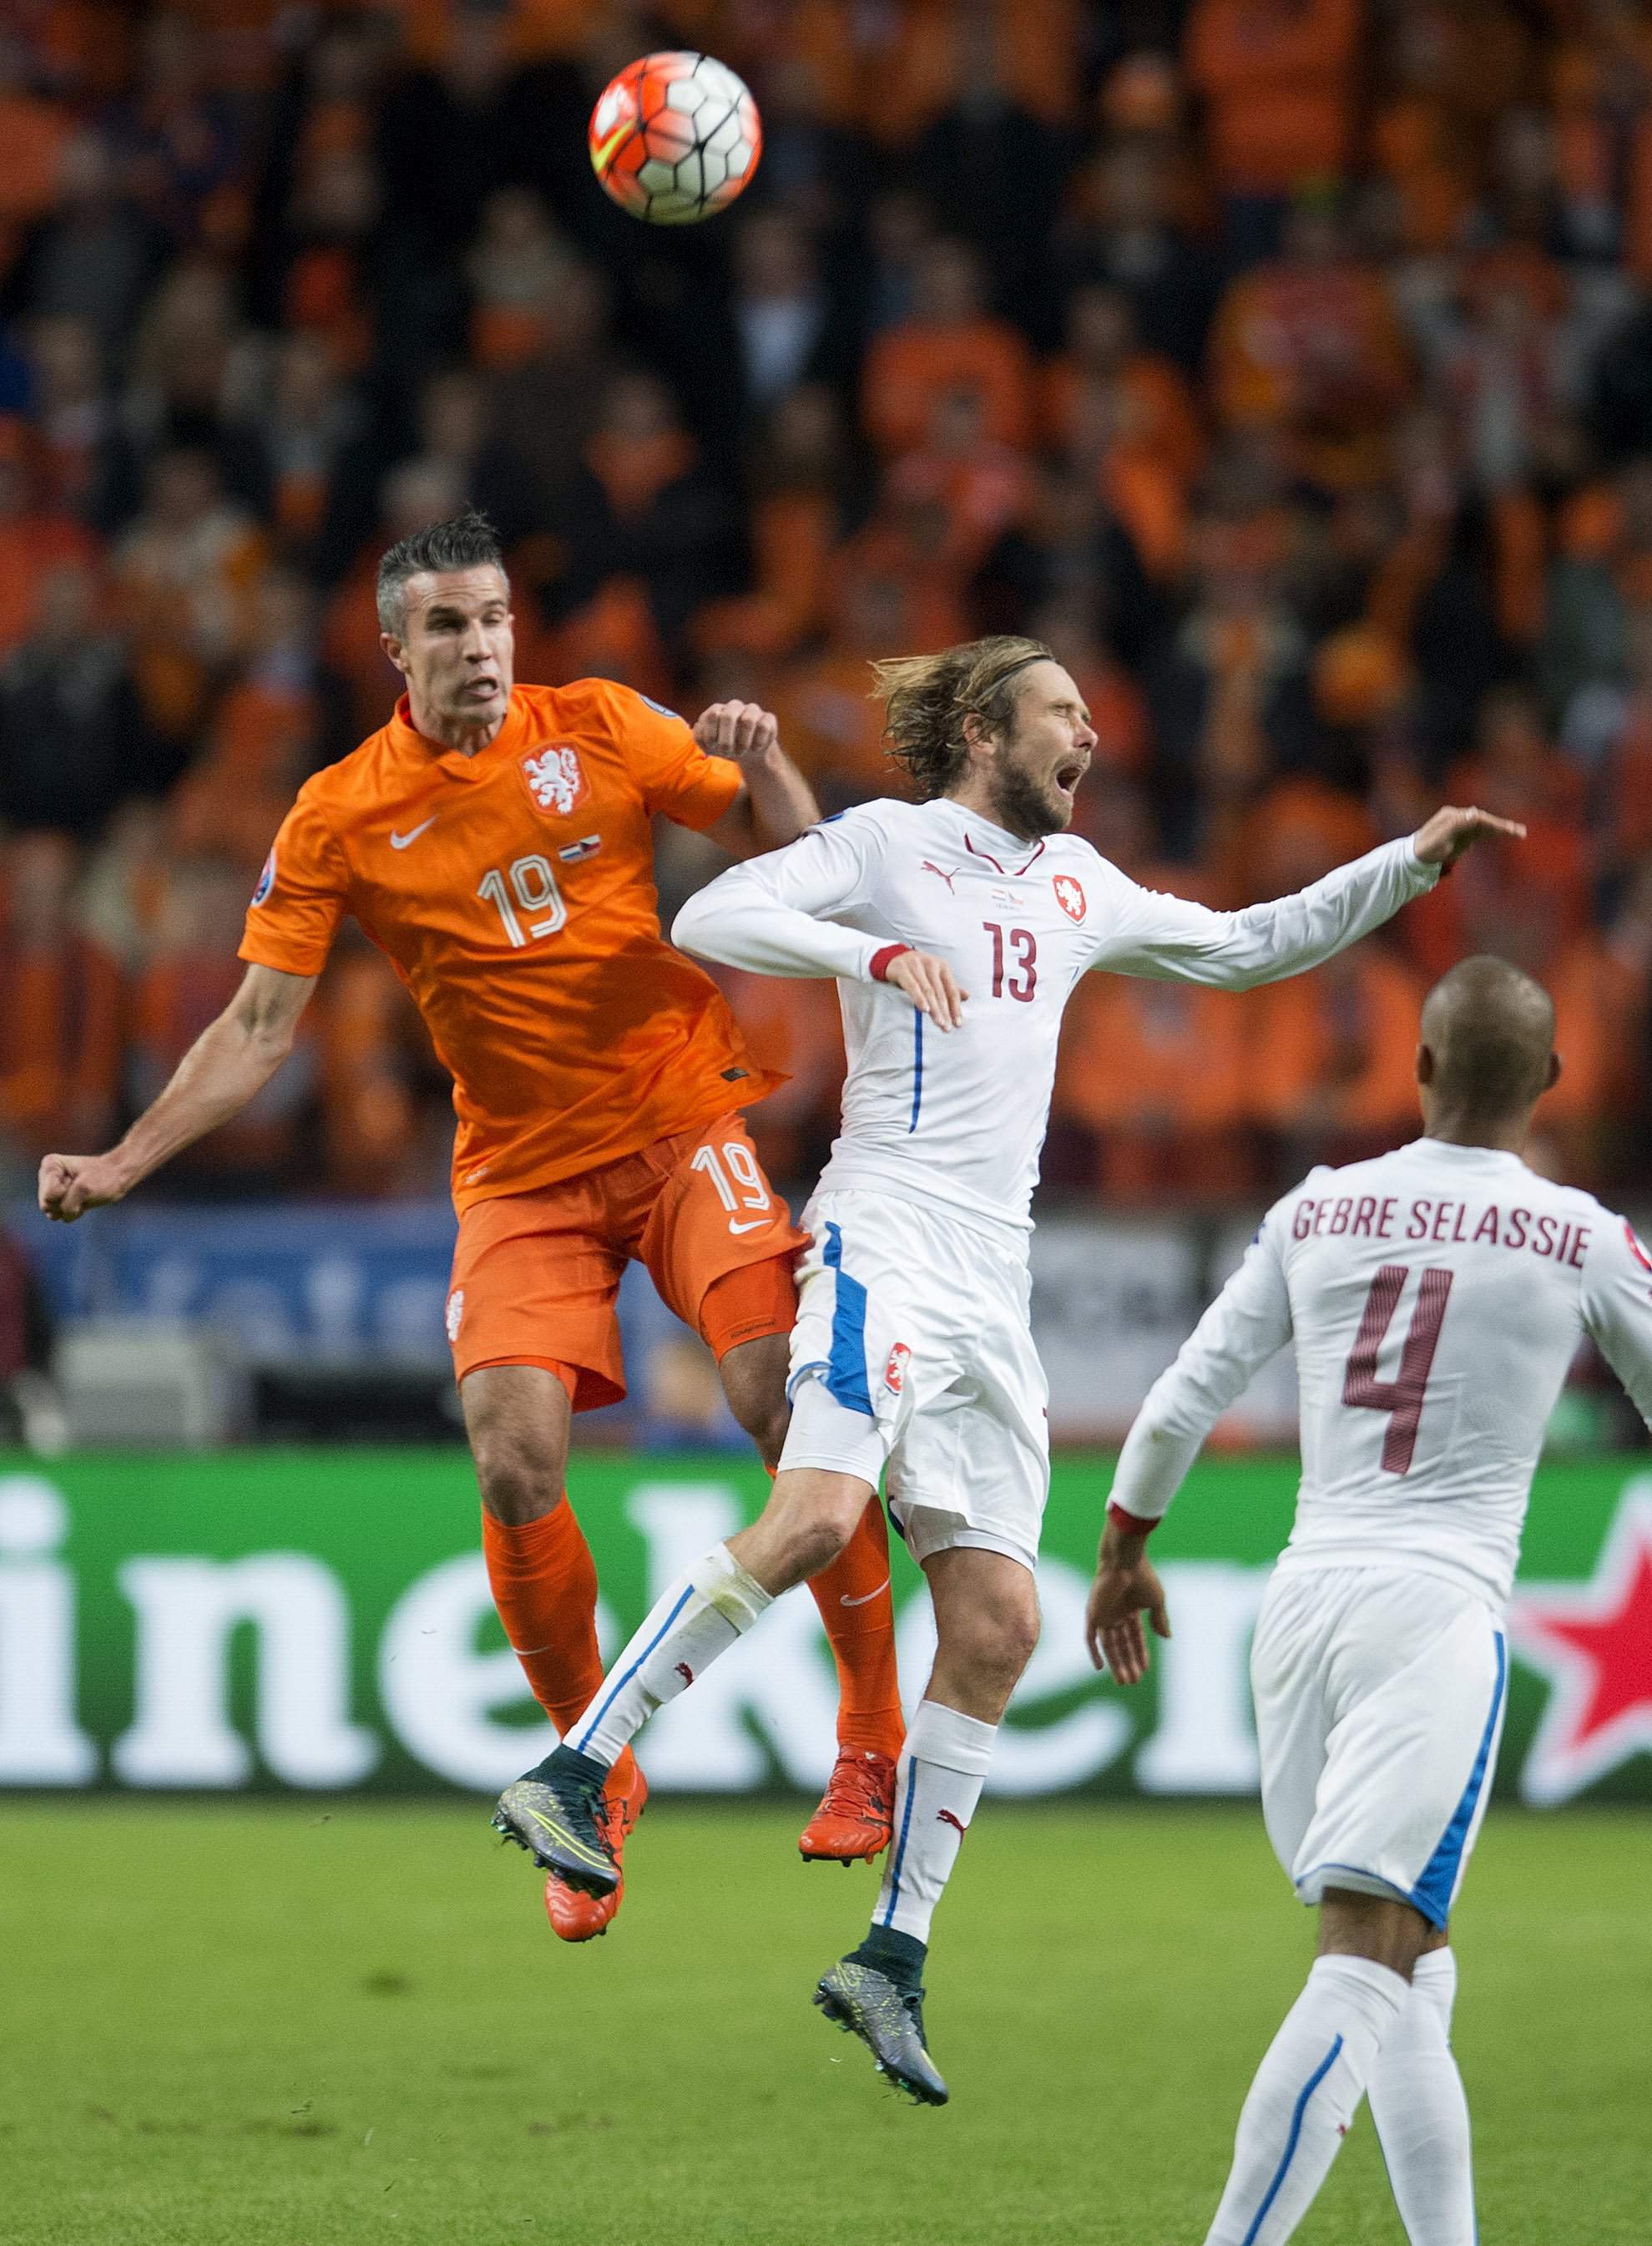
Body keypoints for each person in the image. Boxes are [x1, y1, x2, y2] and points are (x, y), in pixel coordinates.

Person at [493, 630, 1518, 2102]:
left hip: (994, 1278)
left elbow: (1248, 943)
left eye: (1093, 716)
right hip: (885, 1235)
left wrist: (1407, 861)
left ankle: (890, 1955)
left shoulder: (1080, 884)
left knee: (997, 1617)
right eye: (1064, 712)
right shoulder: (890, 844)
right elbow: (714, 911)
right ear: (986, 727)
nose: (1089, 736)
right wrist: (871, 953)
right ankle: (578, 1766)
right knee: (813, 1518)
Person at [37, 508, 907, 1940]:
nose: (481, 644)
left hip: (683, 1120)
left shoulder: (606, 726)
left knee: (776, 1396)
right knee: (511, 1456)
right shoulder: (338, 812)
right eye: (447, 624)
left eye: (495, 616)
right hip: (520, 1173)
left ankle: (870, 1739)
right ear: (395, 648)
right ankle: (593, 1771)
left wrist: (767, 763)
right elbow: (262, 1025)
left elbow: (799, 856)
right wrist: (131, 1157)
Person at [1086, 954, 1652, 2245]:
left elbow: (1183, 1393)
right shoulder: (1581, 1235)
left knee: (1413, 1967)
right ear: (1552, 1083)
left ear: (1425, 1067)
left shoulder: (1320, 1205)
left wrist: (1124, 1546)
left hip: (1304, 1609)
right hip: (1435, 1615)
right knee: (1364, 1955)